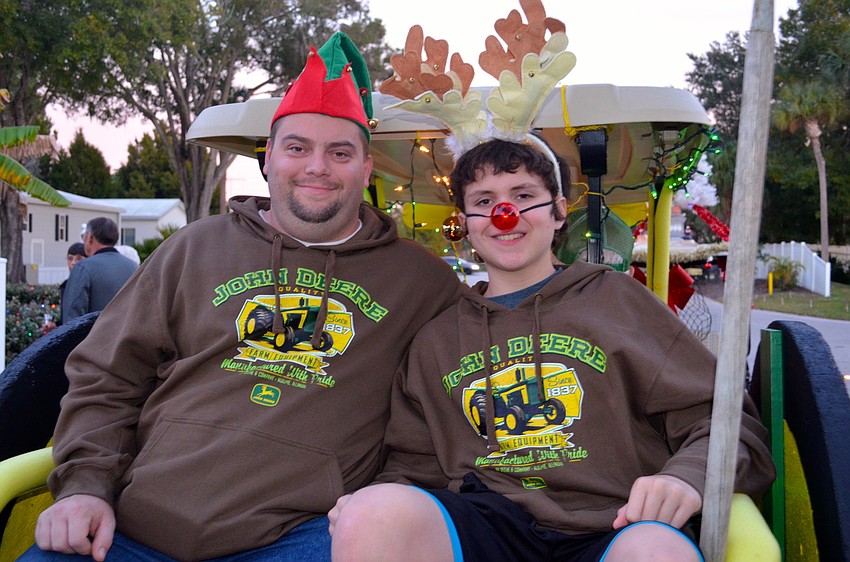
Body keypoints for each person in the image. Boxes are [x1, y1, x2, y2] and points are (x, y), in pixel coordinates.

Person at [21, 32, 462, 562]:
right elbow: (106, 376)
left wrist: (380, 507)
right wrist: (86, 487)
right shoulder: (193, 249)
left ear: (365, 170)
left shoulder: (422, 284)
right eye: (297, 147)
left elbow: (437, 416)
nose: (317, 167)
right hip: (135, 528)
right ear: (268, 157)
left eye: (339, 152)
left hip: (305, 538)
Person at [328, 139, 776, 562]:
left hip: (616, 523)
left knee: (657, 552)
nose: (505, 214)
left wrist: (685, 478)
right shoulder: (437, 339)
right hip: (487, 525)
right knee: (369, 513)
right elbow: (412, 463)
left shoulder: (619, 302)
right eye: (484, 202)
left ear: (559, 212)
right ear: (465, 223)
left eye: (523, 195)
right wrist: (363, 507)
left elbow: (726, 422)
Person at [61, 218, 139, 323]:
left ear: (90, 237)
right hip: (128, 337)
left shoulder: (83, 268)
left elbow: (72, 317)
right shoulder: (134, 267)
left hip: (94, 337)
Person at [43, 243, 87, 332]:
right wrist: (55, 327)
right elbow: (66, 318)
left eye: (79, 259)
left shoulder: (89, 284)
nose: (73, 263)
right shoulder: (65, 286)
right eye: (70, 259)